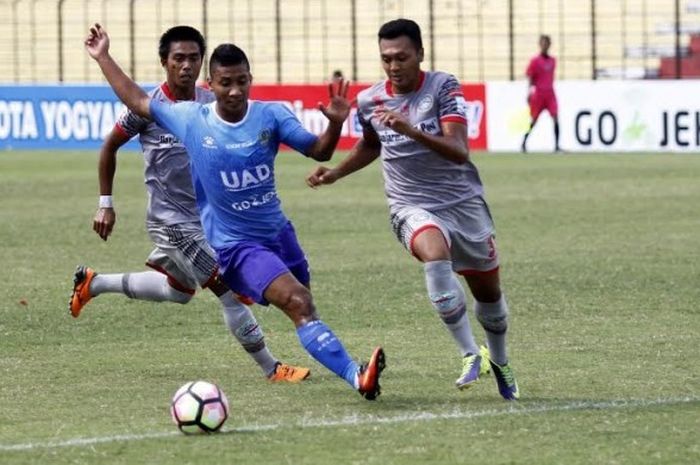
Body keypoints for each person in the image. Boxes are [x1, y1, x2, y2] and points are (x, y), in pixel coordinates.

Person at [84, 24, 386, 400]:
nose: (235, 91)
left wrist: (337, 124)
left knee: (299, 303)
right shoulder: (190, 118)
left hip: (278, 234)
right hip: (233, 245)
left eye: (242, 81)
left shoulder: (271, 116)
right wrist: (103, 57)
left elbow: (320, 152)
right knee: (296, 302)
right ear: (210, 84)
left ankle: (96, 283)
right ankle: (351, 377)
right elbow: (136, 100)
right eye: (226, 83)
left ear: (251, 79)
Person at [71, 25, 310, 383]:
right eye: (178, 58)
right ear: (164, 62)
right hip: (172, 223)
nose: (186, 66)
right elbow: (109, 147)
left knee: (178, 292)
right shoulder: (150, 109)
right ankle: (272, 369)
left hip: (210, 222)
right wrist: (105, 202)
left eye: (193, 58)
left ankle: (93, 283)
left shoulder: (210, 105)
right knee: (228, 290)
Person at [306, 18, 519, 400]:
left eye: (401, 57)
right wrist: (336, 173)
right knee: (434, 253)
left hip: (463, 204)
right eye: (386, 59)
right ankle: (470, 353)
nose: (393, 66)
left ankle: (499, 360)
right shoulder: (370, 99)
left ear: (420, 54)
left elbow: (459, 152)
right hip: (410, 204)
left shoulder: (443, 87)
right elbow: (372, 145)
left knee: (489, 297)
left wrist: (412, 131)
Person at [521, 34, 560, 153]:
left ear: (549, 45)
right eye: (543, 43)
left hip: (550, 94)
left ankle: (557, 146)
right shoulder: (535, 61)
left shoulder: (553, 61)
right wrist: (529, 92)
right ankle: (523, 143)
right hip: (539, 94)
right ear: (540, 45)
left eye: (547, 43)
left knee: (555, 117)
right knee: (533, 120)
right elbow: (530, 77)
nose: (545, 46)